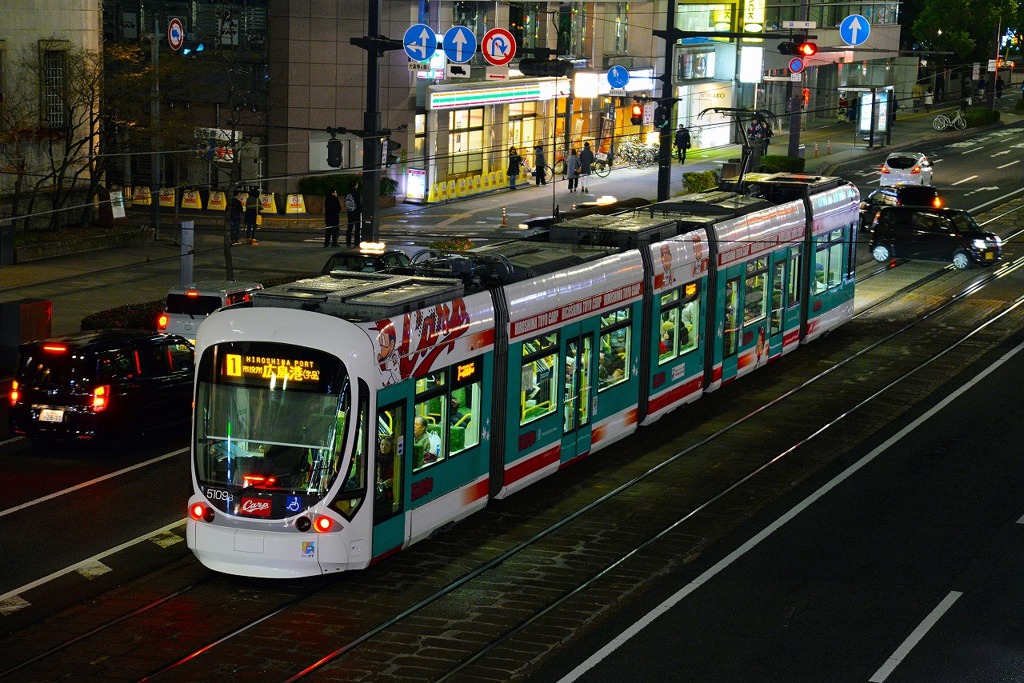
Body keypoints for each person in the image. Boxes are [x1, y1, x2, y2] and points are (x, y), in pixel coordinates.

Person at [344, 181, 362, 247]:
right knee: (357, 228)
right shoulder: (356, 193)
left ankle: (348, 243)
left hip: (350, 212)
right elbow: (358, 203)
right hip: (356, 212)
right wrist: (361, 210)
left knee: (349, 228)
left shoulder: (347, 193)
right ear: (355, 186)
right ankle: (356, 243)